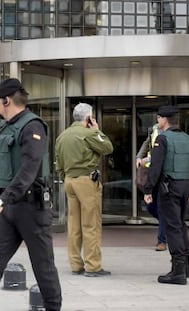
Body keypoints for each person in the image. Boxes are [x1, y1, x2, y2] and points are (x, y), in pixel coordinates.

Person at [0, 78, 62, 311]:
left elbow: (28, 170)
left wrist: (0, 201)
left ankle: (53, 308)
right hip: (10, 209)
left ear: (6, 100)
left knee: (43, 266)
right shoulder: (10, 126)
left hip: (32, 209)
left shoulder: (33, 126)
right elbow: (6, 162)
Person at [55, 103, 114, 277]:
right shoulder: (88, 134)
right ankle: (93, 265)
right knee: (91, 224)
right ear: (89, 118)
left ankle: (75, 264)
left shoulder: (63, 136)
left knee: (74, 224)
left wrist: (66, 175)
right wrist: (97, 130)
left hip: (69, 180)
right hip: (86, 181)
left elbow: (58, 162)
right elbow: (108, 147)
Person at [144, 105, 189, 285]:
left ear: (164, 119)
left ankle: (177, 271)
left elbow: (155, 167)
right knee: (181, 225)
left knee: (172, 227)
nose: (157, 121)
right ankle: (186, 266)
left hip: (169, 188)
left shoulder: (162, 139)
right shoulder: (188, 139)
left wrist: (148, 190)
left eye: (158, 118)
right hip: (185, 186)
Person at [136, 123, 167, 251]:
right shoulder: (153, 129)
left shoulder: (170, 134)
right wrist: (138, 157)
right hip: (151, 175)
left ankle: (162, 241)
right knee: (150, 207)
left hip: (163, 176)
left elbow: (163, 153)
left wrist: (147, 160)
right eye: (158, 117)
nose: (159, 120)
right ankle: (170, 225)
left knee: (161, 208)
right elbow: (147, 143)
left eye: (161, 117)